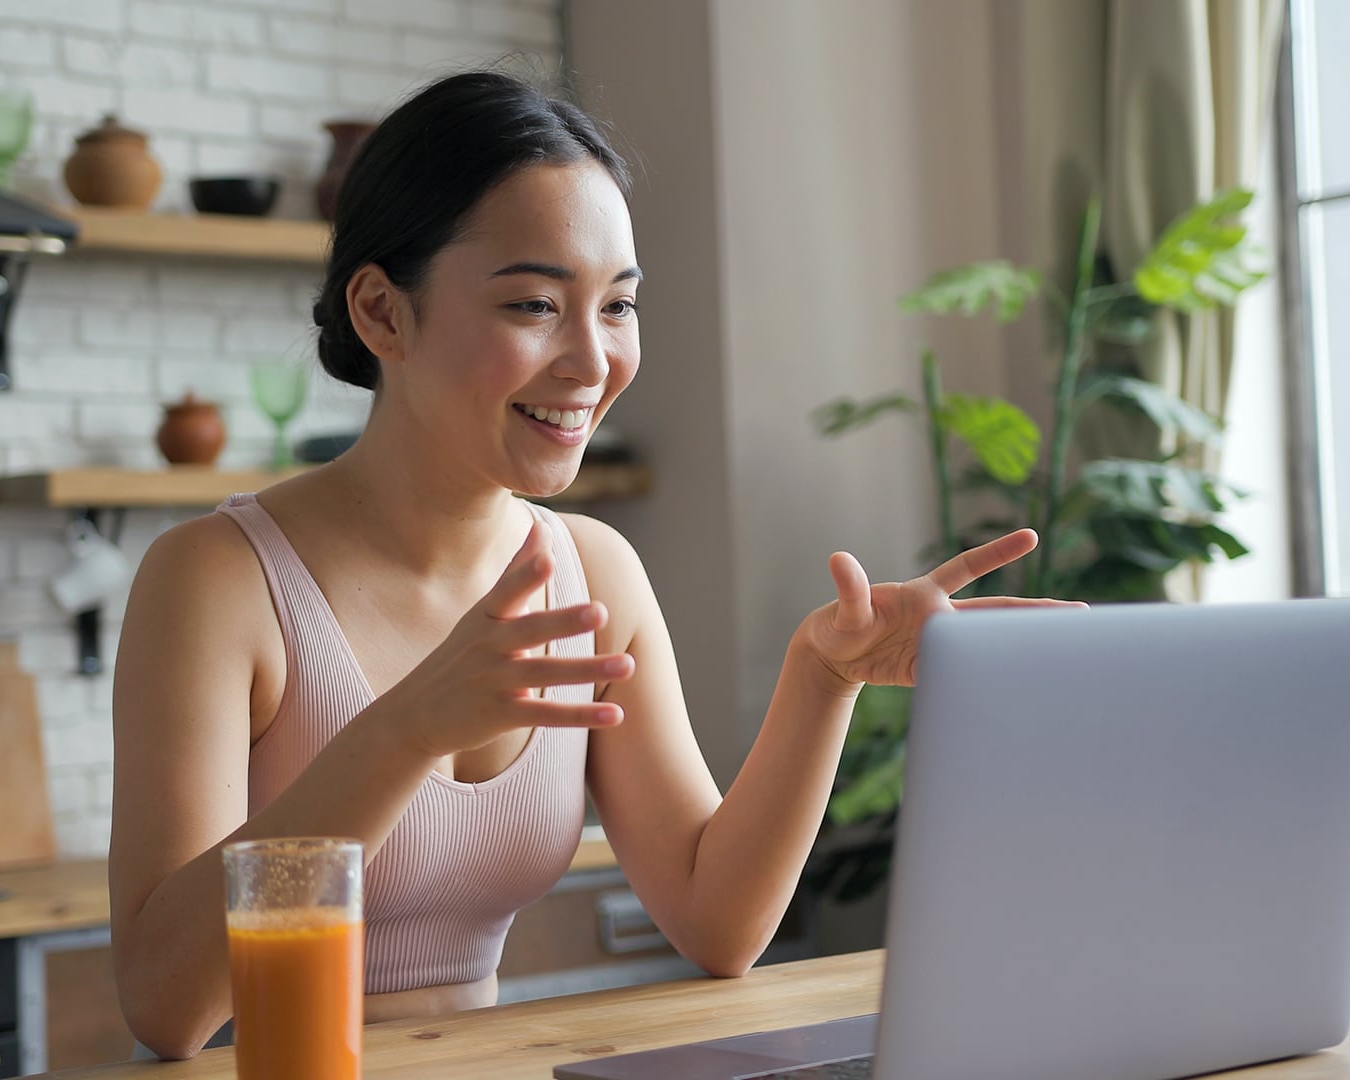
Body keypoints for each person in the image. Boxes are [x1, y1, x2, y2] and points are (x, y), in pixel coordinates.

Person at [108, 69, 1076, 1060]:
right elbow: (163, 1007)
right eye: (535, 304)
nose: (592, 360)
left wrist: (823, 678)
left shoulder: (594, 570)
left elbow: (717, 923)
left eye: (618, 305)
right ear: (382, 313)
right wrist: (403, 733)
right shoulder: (219, 580)